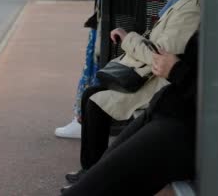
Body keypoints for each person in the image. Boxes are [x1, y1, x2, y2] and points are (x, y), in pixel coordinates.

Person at [66, 0, 201, 181]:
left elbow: (160, 55)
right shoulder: (178, 5)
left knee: (94, 102)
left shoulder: (190, 9)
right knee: (92, 96)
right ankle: (91, 170)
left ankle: (92, 173)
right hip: (149, 78)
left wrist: (129, 39)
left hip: (155, 85)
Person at [61, 30, 200, 195]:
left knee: (90, 188)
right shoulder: (213, 18)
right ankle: (87, 172)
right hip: (167, 108)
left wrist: (176, 70)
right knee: (97, 175)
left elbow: (158, 54)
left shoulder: (193, 9)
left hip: (183, 124)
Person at [55, 0, 103, 139]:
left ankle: (82, 120)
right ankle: (82, 119)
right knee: (93, 71)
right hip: (104, 25)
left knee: (92, 71)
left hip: (103, 30)